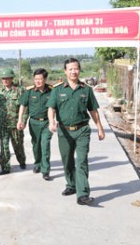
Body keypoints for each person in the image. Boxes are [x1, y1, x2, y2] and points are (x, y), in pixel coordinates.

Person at [47, 58, 105, 205]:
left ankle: (83, 194)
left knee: (82, 161)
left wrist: (99, 128)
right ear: (65, 71)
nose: (74, 71)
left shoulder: (86, 90)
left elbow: (93, 110)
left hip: (82, 130)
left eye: (76, 68)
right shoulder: (57, 89)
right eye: (70, 69)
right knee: (67, 161)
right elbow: (51, 108)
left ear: (79, 70)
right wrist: (51, 122)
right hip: (64, 131)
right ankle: (71, 185)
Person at [17, 68, 53, 181]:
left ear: (45, 79)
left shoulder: (52, 91)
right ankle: (37, 163)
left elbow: (56, 107)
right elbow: (22, 106)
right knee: (36, 145)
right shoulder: (29, 92)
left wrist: (54, 122)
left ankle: (45, 170)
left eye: (40, 79)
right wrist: (20, 120)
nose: (37, 81)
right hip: (34, 122)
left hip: (47, 122)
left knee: (45, 145)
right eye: (36, 79)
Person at [0, 68, 26, 175]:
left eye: (7, 78)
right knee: (4, 147)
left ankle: (22, 161)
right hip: (3, 125)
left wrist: (23, 121)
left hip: (16, 124)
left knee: (18, 145)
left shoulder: (20, 90)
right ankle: (5, 167)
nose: (5, 80)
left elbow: (25, 107)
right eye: (3, 78)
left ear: (12, 78)